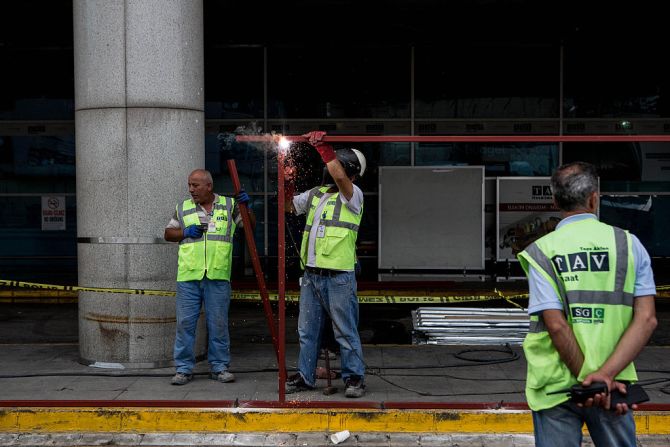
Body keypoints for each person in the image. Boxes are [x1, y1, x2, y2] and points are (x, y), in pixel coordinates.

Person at [517, 161, 657, 446]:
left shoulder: (542, 251)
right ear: (595, 197)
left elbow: (556, 325)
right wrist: (604, 378)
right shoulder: (629, 245)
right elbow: (646, 319)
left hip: (557, 387)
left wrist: (589, 382)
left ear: (555, 200)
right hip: (612, 386)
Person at [284, 130, 367, 398]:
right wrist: (287, 183)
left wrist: (323, 148)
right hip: (312, 275)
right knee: (307, 331)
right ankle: (306, 376)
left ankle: (354, 378)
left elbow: (340, 177)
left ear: (350, 171)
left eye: (337, 165)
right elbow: (287, 207)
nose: (332, 169)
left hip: (339, 275)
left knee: (344, 330)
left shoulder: (353, 196)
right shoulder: (316, 194)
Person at [164, 169, 251, 385]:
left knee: (218, 324)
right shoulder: (183, 208)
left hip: (218, 276)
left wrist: (246, 208)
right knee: (185, 324)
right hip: (189, 277)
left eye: (195, 185)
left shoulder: (229, 205)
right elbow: (168, 233)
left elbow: (249, 227)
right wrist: (185, 232)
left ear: (209, 186)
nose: (191, 189)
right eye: (189, 185)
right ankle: (183, 369)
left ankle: (219, 367)